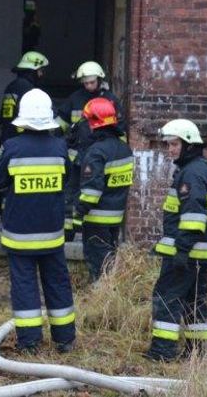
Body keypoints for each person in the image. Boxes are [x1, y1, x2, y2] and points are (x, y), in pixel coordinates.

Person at [0, 89, 76, 353]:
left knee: (25, 286)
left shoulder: (12, 147)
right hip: (51, 233)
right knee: (58, 283)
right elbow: (67, 180)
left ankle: (29, 343)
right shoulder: (60, 147)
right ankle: (64, 340)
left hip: (20, 234)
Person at [145, 119, 207, 362]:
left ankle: (162, 352)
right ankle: (199, 352)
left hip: (186, 254)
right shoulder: (201, 168)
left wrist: (181, 249)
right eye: (169, 144)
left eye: (175, 144)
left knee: (167, 297)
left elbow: (194, 217)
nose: (170, 149)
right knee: (194, 302)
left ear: (188, 144)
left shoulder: (192, 174)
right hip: (198, 255)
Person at [59, 61, 125, 239]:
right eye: (85, 83)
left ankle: (85, 229)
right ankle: (68, 231)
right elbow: (60, 124)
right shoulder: (74, 99)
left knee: (92, 193)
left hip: (99, 158)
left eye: (92, 82)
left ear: (99, 79)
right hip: (77, 157)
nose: (88, 86)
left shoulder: (111, 100)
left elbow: (120, 130)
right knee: (70, 193)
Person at [74, 97, 133, 282]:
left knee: (98, 263)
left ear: (94, 123)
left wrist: (77, 212)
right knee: (110, 259)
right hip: (116, 217)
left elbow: (92, 191)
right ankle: (108, 295)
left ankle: (99, 299)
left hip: (96, 219)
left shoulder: (96, 151)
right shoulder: (125, 149)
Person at [0, 51, 49, 141]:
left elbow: (5, 118)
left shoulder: (12, 86)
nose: (41, 74)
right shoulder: (28, 89)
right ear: (32, 71)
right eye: (40, 71)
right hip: (22, 138)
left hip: (9, 136)